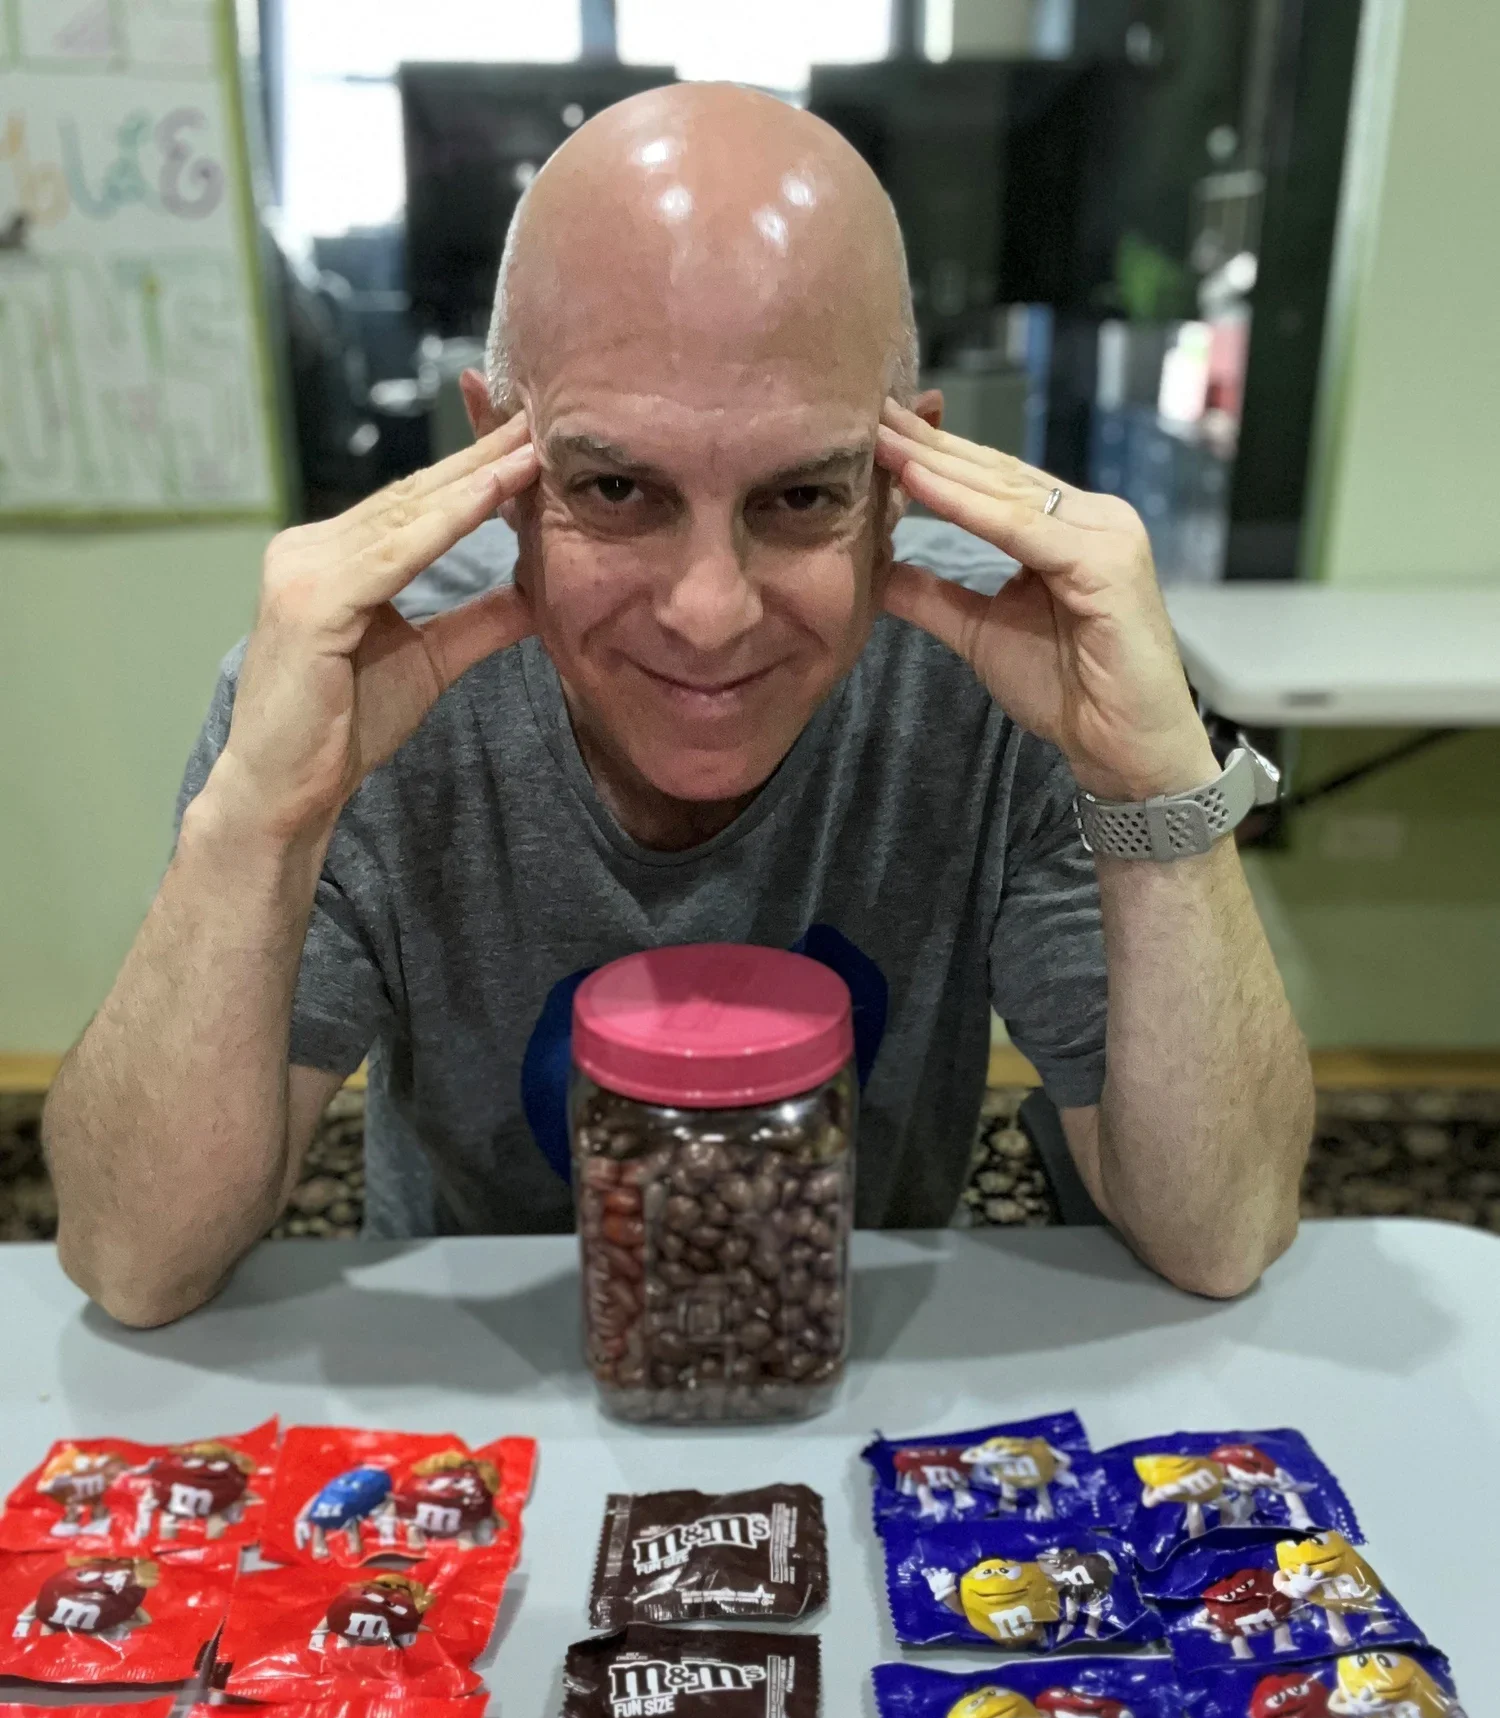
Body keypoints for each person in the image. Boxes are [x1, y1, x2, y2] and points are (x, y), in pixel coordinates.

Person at [45, 84, 1312, 1328]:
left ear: (902, 478)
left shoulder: (1014, 678)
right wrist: (255, 818)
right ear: (493, 451)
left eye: (802, 496)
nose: (711, 611)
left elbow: (1219, 1232)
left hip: (859, 1370)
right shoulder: (356, 681)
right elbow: (136, 1260)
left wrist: (1155, 784)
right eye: (613, 489)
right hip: (474, 1413)